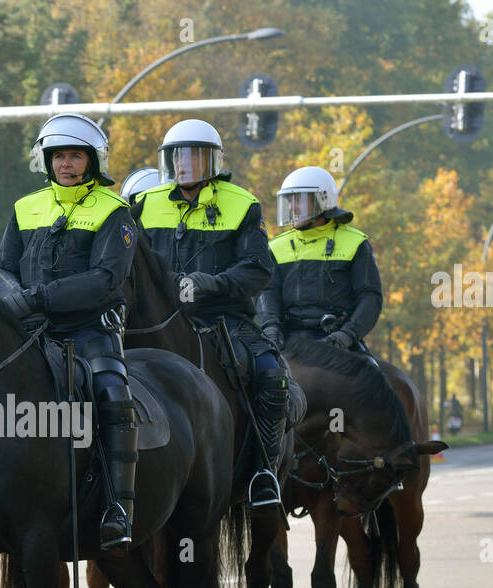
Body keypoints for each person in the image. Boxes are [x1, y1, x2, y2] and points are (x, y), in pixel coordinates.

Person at [0, 112, 138, 550]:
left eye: (75, 156)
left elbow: (106, 279)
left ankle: (118, 506)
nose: (66, 164)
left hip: (89, 332)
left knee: (113, 396)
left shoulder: (116, 212)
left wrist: (39, 297)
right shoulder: (24, 208)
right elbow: (0, 268)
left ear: (92, 161)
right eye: (58, 156)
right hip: (29, 334)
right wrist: (14, 296)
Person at [134, 119, 282, 507]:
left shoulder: (242, 204)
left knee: (271, 374)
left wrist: (206, 284)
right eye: (178, 157)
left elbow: (258, 268)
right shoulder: (145, 204)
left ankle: (262, 471)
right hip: (159, 321)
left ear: (213, 161)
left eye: (195, 156)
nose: (185, 164)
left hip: (224, 321)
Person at [256, 166, 383, 359]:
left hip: (339, 340)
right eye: (290, 201)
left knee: (375, 379)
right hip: (288, 340)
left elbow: (370, 298)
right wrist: (271, 329)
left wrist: (346, 336)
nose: (292, 208)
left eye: (299, 200)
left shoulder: (356, 243)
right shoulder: (276, 247)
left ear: (322, 200)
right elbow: (267, 293)